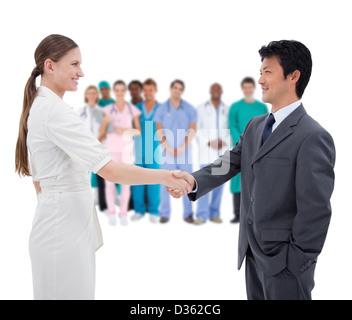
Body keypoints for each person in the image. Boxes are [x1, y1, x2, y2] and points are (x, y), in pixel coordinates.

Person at [15, 34, 191, 300]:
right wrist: (167, 175)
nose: (81, 72)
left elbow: (40, 182)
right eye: (74, 64)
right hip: (61, 233)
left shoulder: (44, 108)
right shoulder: (54, 112)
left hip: (61, 226)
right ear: (49, 66)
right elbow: (109, 170)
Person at [167, 40, 335, 300]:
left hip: (285, 262)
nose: (260, 80)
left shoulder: (312, 136)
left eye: (267, 72)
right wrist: (193, 180)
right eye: (260, 72)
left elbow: (316, 210)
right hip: (252, 252)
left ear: (294, 76)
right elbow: (230, 161)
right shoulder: (255, 126)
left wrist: (297, 261)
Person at [154, 80, 197, 224]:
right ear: (171, 89)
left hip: (184, 152)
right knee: (165, 181)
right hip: (168, 153)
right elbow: (159, 129)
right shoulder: (161, 109)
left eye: (180, 89)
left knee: (188, 182)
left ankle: (188, 213)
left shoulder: (189, 109)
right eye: (175, 88)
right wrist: (167, 147)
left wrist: (183, 147)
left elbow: (192, 129)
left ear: (182, 91)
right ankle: (164, 213)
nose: (177, 91)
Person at [102, 80, 142, 226]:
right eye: (117, 90)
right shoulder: (107, 109)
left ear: (124, 92)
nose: (119, 92)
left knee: (126, 182)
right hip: (111, 149)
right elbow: (103, 130)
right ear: (114, 91)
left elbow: (138, 130)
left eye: (121, 90)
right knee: (109, 183)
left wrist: (123, 131)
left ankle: (123, 213)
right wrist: (107, 124)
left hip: (126, 150)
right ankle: (111, 212)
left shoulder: (131, 109)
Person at [229, 77, 268, 223]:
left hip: (258, 146)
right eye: (245, 87)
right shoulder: (235, 107)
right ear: (242, 89)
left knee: (255, 179)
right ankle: (237, 214)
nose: (248, 90)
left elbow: (266, 124)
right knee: (237, 180)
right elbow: (232, 125)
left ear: (253, 88)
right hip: (239, 146)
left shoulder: (261, 107)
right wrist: (241, 141)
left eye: (250, 87)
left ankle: (254, 214)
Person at [194, 83, 230, 225]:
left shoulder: (227, 109)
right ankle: (202, 215)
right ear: (210, 91)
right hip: (206, 151)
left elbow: (230, 127)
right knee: (204, 182)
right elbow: (197, 129)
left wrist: (224, 141)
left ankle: (215, 213)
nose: (215, 91)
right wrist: (208, 142)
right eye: (213, 89)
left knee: (219, 184)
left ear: (221, 91)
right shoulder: (201, 109)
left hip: (222, 151)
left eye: (218, 89)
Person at [130, 78, 162, 223]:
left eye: (151, 90)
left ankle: (154, 211)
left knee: (154, 180)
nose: (148, 93)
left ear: (155, 91)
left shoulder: (161, 108)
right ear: (143, 91)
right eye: (146, 90)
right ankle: (139, 210)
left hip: (154, 150)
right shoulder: (136, 107)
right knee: (136, 179)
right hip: (137, 148)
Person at [76, 85, 111, 213]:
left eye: (94, 93)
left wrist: (96, 142)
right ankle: (83, 204)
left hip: (98, 146)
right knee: (81, 177)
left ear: (97, 96)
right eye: (89, 93)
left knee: (101, 177)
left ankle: (103, 205)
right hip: (83, 148)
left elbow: (105, 131)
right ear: (86, 95)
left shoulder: (101, 112)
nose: (91, 95)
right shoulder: (79, 112)